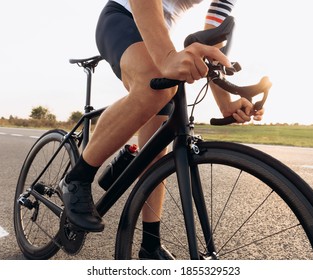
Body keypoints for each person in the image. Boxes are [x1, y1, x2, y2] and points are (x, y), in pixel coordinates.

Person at [60, 0, 264, 259]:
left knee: (157, 144)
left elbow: (213, 44)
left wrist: (227, 102)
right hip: (124, 16)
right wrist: (167, 57)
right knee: (155, 85)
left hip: (159, 30)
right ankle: (77, 178)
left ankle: (151, 245)